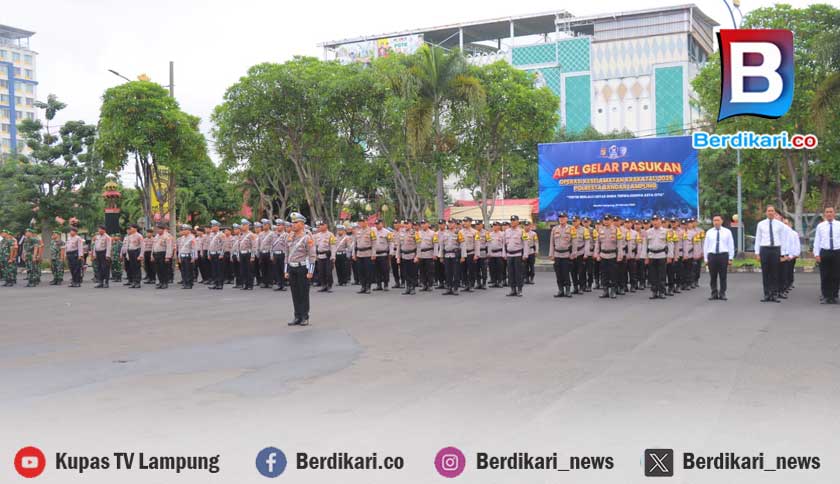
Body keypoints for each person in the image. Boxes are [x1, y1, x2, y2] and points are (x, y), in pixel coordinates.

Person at [285, 212, 316, 326]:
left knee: (303, 293)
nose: (293, 224)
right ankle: (297, 316)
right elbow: (287, 255)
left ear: (302, 224)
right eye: (292, 222)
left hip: (302, 268)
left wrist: (310, 271)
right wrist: (286, 270)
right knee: (295, 293)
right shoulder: (289, 238)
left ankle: (304, 316)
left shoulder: (307, 238)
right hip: (292, 268)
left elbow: (312, 255)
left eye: (296, 222)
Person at [754, 205, 785, 302]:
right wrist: (757, 253)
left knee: (775, 273)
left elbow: (782, 239)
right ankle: (767, 294)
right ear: (766, 213)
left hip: (775, 249)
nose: (770, 212)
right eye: (769, 211)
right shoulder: (760, 224)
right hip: (764, 249)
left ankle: (774, 294)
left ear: (775, 212)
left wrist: (782, 253)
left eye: (772, 211)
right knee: (766, 273)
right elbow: (758, 239)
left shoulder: (780, 224)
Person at [703, 215, 734, 301]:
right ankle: (714, 293)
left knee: (723, 276)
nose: (716, 222)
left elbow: (730, 245)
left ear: (721, 221)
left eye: (717, 220)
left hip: (723, 255)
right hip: (712, 256)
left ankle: (722, 293)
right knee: (713, 276)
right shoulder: (709, 232)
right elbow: (706, 246)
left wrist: (730, 258)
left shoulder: (727, 232)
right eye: (714, 220)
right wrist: (705, 259)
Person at [813, 206, 840, 304]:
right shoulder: (820, 226)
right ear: (824, 214)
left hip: (837, 252)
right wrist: (816, 254)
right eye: (827, 212)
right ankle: (826, 296)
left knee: (836, 275)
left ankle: (834, 296)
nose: (829, 213)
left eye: (831, 212)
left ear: (834, 213)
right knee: (825, 275)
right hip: (825, 252)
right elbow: (817, 241)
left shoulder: (839, 225)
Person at [594, 215, 621, 299]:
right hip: (603, 255)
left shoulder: (616, 230)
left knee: (613, 274)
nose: (606, 221)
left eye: (608, 220)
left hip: (612, 255)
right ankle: (605, 291)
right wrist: (596, 254)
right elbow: (597, 243)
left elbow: (619, 244)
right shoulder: (600, 230)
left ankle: (613, 291)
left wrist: (619, 255)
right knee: (604, 274)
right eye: (605, 220)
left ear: (611, 220)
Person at [642, 215, 669, 300]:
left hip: (662, 255)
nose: (655, 222)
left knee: (662, 275)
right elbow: (645, 245)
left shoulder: (666, 231)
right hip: (651, 255)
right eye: (653, 220)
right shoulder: (648, 232)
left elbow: (670, 244)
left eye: (657, 220)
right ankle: (654, 292)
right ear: (651, 222)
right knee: (652, 275)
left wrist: (670, 256)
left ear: (660, 221)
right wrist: (645, 257)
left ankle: (661, 292)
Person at [549, 213, 575, 298]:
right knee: (558, 273)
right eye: (560, 218)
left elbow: (574, 242)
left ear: (567, 219)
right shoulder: (555, 229)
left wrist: (573, 253)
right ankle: (560, 290)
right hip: (557, 254)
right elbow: (552, 243)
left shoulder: (571, 228)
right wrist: (551, 254)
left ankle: (567, 290)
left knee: (566, 273)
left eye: (563, 218)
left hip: (566, 255)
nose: (561, 219)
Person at [503, 215, 529, 297]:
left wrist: (525, 254)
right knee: (510, 273)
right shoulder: (506, 231)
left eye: (514, 220)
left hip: (518, 255)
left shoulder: (522, 231)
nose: (512, 222)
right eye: (511, 220)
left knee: (518, 273)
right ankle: (512, 289)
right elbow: (503, 244)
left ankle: (519, 290)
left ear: (518, 221)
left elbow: (525, 243)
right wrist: (504, 253)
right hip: (509, 255)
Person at [438, 219, 462, 296]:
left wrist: (463, 256)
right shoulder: (444, 233)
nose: (450, 224)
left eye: (452, 223)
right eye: (449, 223)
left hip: (455, 255)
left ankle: (455, 288)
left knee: (456, 272)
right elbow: (442, 245)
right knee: (447, 272)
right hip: (447, 255)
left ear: (455, 224)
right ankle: (448, 287)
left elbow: (462, 245)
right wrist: (441, 256)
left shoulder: (458, 233)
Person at [396, 220, 419, 295]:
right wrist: (398, 257)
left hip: (412, 255)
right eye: (405, 224)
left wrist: (417, 256)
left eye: (407, 224)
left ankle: (412, 287)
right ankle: (408, 287)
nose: (406, 225)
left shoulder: (415, 233)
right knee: (405, 273)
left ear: (411, 224)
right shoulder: (401, 233)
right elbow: (399, 246)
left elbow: (418, 246)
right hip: (404, 256)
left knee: (412, 273)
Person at [352, 218, 375, 294]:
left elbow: (374, 243)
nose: (361, 224)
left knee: (368, 271)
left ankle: (368, 286)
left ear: (366, 222)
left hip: (368, 253)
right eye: (359, 222)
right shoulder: (357, 231)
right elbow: (354, 244)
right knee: (360, 271)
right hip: (359, 254)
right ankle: (363, 286)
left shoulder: (371, 231)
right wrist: (353, 254)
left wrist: (373, 254)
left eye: (362, 222)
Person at [313, 220, 336, 293]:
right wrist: (315, 255)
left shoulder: (330, 235)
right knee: (321, 271)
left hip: (328, 255)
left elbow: (333, 246)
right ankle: (323, 285)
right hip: (320, 255)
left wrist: (333, 256)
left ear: (326, 226)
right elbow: (314, 246)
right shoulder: (317, 235)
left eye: (322, 225)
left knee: (328, 272)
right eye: (320, 225)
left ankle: (329, 285)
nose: (321, 226)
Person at [417, 220, 438, 291]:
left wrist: (435, 254)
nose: (422, 225)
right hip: (421, 254)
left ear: (428, 224)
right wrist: (417, 255)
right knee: (422, 271)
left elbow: (435, 244)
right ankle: (424, 284)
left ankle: (430, 285)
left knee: (430, 271)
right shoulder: (418, 233)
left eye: (424, 223)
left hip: (429, 254)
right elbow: (417, 245)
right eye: (421, 224)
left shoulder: (433, 233)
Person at [151, 223, 173, 289]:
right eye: (157, 229)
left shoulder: (167, 236)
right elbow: (153, 246)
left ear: (163, 229)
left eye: (159, 229)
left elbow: (169, 247)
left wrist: (167, 257)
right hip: (156, 254)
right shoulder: (156, 236)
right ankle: (160, 282)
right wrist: (152, 255)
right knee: (158, 270)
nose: (158, 230)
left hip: (163, 254)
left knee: (164, 270)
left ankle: (165, 283)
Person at [238, 220, 258, 290]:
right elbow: (239, 245)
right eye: (242, 225)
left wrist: (252, 256)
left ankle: (250, 285)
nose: (242, 226)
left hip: (248, 254)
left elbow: (254, 246)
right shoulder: (241, 234)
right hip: (242, 253)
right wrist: (238, 254)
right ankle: (245, 284)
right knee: (243, 270)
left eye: (243, 225)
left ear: (247, 226)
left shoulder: (251, 235)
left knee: (249, 270)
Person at [458, 218, 477, 292]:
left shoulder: (475, 232)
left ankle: (471, 285)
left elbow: (477, 244)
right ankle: (466, 285)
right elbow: (458, 243)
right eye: (464, 221)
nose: (464, 223)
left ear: (470, 222)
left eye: (466, 221)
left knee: (471, 270)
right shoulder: (460, 232)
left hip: (471, 253)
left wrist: (476, 254)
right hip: (462, 254)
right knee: (463, 270)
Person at [176, 224, 197, 289]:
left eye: (184, 230)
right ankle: (185, 283)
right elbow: (180, 248)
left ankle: (189, 284)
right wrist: (179, 257)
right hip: (182, 256)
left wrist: (193, 257)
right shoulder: (182, 238)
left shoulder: (192, 238)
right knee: (183, 271)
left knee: (189, 271)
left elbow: (193, 248)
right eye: (182, 230)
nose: (183, 231)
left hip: (188, 256)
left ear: (188, 230)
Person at [123, 224, 143, 289]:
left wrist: (141, 255)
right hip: (130, 252)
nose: (130, 229)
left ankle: (138, 282)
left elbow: (142, 246)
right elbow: (128, 246)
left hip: (136, 252)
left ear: (135, 229)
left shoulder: (139, 236)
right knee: (132, 268)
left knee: (137, 268)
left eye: (131, 228)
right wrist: (127, 255)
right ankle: (133, 281)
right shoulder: (129, 236)